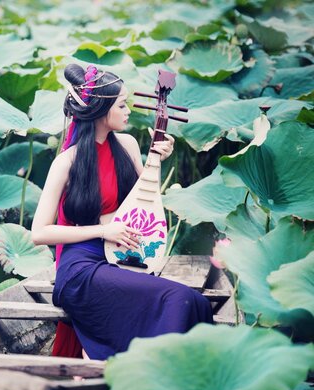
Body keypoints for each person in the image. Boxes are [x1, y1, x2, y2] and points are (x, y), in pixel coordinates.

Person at [30, 63, 214, 361]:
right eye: (122, 104)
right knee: (177, 298)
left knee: (196, 302)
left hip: (125, 255)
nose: (128, 109)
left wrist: (157, 159)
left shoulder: (127, 145)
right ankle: (153, 375)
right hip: (82, 268)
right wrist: (104, 230)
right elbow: (39, 233)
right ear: (102, 110)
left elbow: (145, 202)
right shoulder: (67, 161)